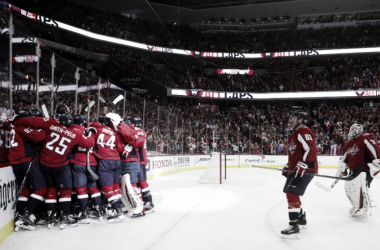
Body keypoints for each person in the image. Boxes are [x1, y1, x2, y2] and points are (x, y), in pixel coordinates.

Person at [14, 109, 96, 230]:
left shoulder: (51, 124)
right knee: (66, 191)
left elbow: (34, 121)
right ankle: (65, 218)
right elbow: (89, 143)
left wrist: (17, 121)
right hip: (60, 166)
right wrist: (92, 132)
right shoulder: (76, 134)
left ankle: (49, 216)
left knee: (50, 190)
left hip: (44, 164)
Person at [281, 111, 318, 239]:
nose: (291, 120)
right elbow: (296, 154)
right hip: (296, 169)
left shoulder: (304, 131)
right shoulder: (293, 135)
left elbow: (311, 150)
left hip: (306, 169)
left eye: (294, 118)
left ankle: (294, 226)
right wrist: (288, 166)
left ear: (301, 120)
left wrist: (304, 164)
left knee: (291, 193)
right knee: (290, 192)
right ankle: (301, 217)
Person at [9, 109, 47, 231]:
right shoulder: (20, 127)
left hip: (16, 162)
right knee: (41, 189)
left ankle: (19, 215)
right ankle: (25, 215)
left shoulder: (13, 127)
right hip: (26, 160)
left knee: (25, 190)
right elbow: (40, 136)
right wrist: (43, 128)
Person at [337, 124, 380, 217]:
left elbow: (374, 149)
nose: (352, 130)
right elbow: (346, 157)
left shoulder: (365, 138)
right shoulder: (348, 143)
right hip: (353, 170)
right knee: (349, 189)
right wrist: (343, 166)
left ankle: (365, 208)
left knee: (361, 187)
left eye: (355, 129)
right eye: (351, 128)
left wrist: (377, 160)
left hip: (364, 168)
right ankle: (357, 206)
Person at [91, 115, 124, 223]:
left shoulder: (96, 128)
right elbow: (120, 148)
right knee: (115, 186)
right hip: (117, 160)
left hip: (105, 161)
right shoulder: (114, 133)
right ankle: (115, 209)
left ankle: (117, 211)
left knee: (107, 188)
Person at [69, 114, 102, 223]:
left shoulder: (73, 130)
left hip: (79, 162)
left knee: (81, 188)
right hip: (91, 161)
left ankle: (84, 212)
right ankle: (98, 209)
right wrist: (92, 130)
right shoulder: (90, 130)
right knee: (93, 187)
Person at [130, 117, 154, 214]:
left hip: (140, 159)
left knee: (142, 181)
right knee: (138, 182)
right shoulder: (138, 131)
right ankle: (144, 200)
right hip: (138, 159)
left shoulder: (139, 131)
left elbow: (137, 144)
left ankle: (148, 201)